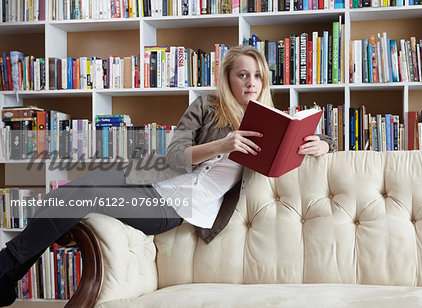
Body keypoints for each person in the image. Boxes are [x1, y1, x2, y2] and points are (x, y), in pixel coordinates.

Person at [0, 45, 335, 306]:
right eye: (242, 75)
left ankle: (7, 267)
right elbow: (175, 156)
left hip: (172, 206)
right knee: (67, 190)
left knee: (81, 196)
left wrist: (324, 142)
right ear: (228, 79)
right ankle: (10, 273)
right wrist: (222, 144)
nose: (251, 83)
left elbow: (305, 134)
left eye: (258, 76)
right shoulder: (206, 107)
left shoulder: (273, 122)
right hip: (150, 176)